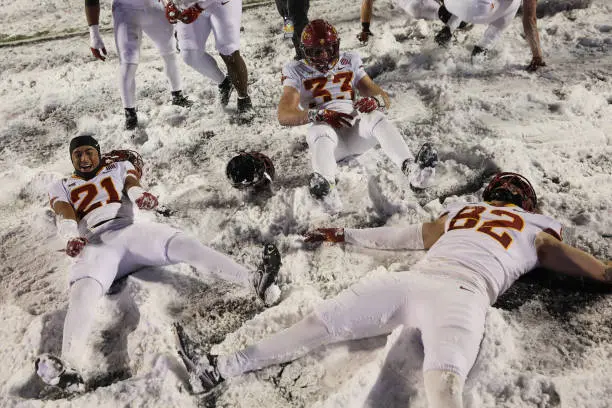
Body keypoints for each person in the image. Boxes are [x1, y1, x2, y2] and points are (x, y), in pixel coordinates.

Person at [175, 172, 611, 407]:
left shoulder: (462, 213)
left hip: (413, 280)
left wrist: (345, 233)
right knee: (444, 385)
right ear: (527, 205)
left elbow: (403, 236)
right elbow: (601, 273)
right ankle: (221, 366)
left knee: (320, 324)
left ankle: (221, 367)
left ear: (490, 194)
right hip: (464, 293)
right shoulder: (539, 232)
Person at [34, 135, 282, 392]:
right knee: (82, 294)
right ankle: (69, 367)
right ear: (71, 158)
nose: (84, 158)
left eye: (88, 152)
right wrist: (71, 236)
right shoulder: (61, 184)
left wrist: (142, 197)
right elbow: (64, 213)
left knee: (186, 245)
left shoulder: (118, 166)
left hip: (128, 231)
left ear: (99, 153)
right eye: (78, 155)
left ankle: (255, 281)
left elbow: (132, 185)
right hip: (95, 245)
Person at [277, 19, 438, 200]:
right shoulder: (295, 69)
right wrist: (319, 114)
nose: (323, 55)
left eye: (328, 49)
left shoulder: (349, 59)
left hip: (356, 131)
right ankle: (326, 188)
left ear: (336, 46)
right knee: (318, 130)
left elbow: (382, 96)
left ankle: (412, 170)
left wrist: (375, 101)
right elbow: (284, 114)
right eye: (316, 51)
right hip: (330, 140)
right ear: (305, 50)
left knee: (375, 116)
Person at [85, 0, 193, 130]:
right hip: (126, 10)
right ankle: (130, 114)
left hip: (154, 8)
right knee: (128, 63)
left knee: (170, 54)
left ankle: (178, 96)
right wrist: (94, 34)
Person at [164, 0, 253, 113]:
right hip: (188, 3)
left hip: (221, 3)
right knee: (189, 53)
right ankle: (224, 83)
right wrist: (168, 4)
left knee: (228, 49)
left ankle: (244, 99)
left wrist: (198, 8)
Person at [434, 0, 546, 71]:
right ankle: (482, 48)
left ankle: (450, 27)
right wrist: (537, 57)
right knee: (512, 5)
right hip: (487, 10)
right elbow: (530, 19)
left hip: (468, 6)